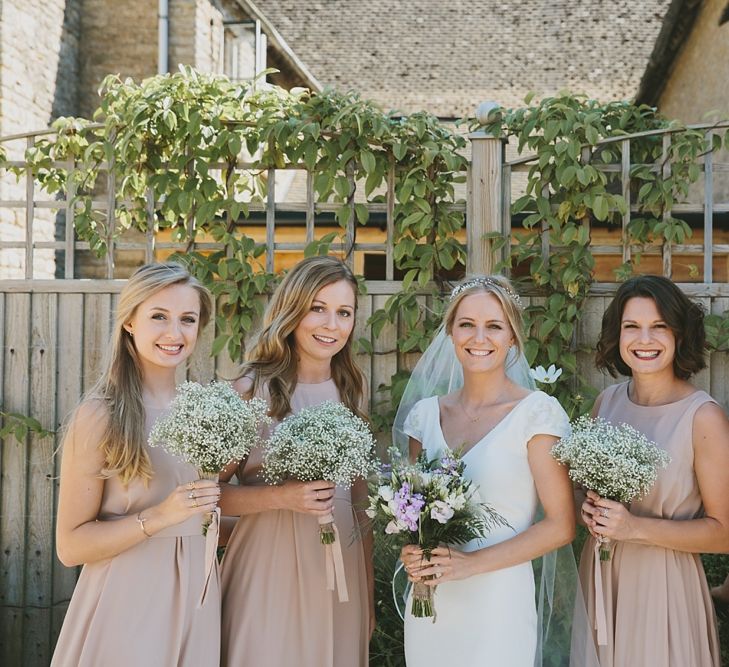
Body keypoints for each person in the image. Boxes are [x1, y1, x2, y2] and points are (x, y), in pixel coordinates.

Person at [397, 275, 581, 666]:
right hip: (431, 605)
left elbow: (562, 525)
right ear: (451, 332)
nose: (479, 337)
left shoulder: (537, 414)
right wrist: (412, 553)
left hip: (499, 604)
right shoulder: (425, 416)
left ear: (513, 337)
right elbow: (412, 516)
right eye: (467, 324)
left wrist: (470, 565)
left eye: (494, 326)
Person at [52, 262, 220, 667]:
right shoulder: (100, 414)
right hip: (127, 602)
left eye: (187, 319)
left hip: (199, 602)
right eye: (159, 316)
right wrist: (159, 517)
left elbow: (203, 520)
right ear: (130, 321)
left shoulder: (206, 411)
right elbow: (70, 546)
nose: (174, 333)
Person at [219, 256, 373, 667]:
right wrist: (283, 497)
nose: (331, 324)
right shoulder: (251, 391)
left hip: (341, 574)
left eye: (344, 312)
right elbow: (206, 496)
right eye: (317, 308)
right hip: (270, 567)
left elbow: (360, 507)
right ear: (292, 309)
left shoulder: (350, 393)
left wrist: (367, 590)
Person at [577, 275, 729, 667]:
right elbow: (588, 491)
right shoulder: (606, 403)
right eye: (632, 327)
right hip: (600, 581)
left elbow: (724, 533)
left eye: (659, 327)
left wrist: (633, 528)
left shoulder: (703, 417)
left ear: (679, 334)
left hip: (664, 589)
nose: (645, 339)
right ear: (618, 334)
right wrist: (588, 510)